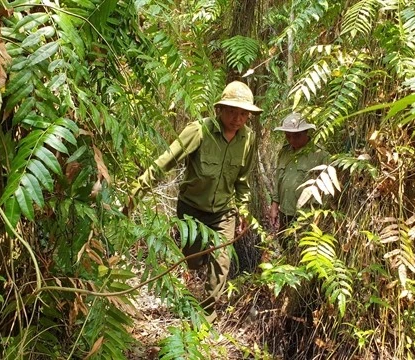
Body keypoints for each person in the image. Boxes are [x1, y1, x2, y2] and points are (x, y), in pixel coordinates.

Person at [133, 81, 262, 321]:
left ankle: (205, 318)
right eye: (233, 111)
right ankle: (192, 274)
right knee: (193, 260)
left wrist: (242, 210)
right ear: (220, 109)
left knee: (221, 263)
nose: (238, 118)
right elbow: (165, 161)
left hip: (224, 212)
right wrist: (137, 192)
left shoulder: (248, 140)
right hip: (191, 208)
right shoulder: (199, 131)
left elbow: (243, 179)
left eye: (244, 113)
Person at [268, 112, 327, 243]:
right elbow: (279, 178)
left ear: (306, 133)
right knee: (284, 244)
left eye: (297, 136)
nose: (292, 140)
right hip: (285, 211)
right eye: (288, 136)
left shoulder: (320, 155)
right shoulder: (284, 152)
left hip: (306, 215)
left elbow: (327, 190)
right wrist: (274, 205)